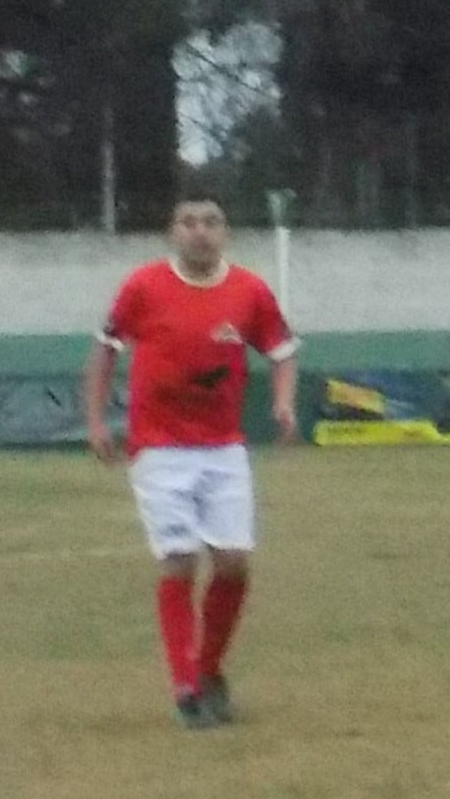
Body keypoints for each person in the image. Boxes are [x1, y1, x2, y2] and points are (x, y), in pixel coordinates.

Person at [83, 194, 299, 730]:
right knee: (178, 560)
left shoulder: (249, 291)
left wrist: (283, 400)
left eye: (210, 223)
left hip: (223, 447)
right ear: (171, 232)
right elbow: (105, 348)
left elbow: (282, 351)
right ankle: (185, 689)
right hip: (158, 447)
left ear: (224, 233)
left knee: (233, 563)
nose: (199, 232)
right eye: (188, 222)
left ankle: (208, 670)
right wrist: (94, 419)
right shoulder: (142, 287)